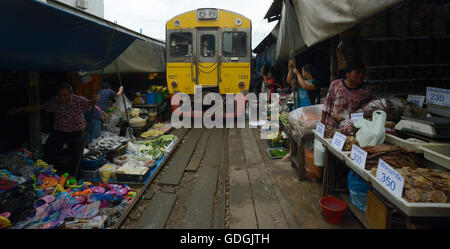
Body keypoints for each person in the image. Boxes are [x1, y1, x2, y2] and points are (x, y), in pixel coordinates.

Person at [9, 83, 94, 173]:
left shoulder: (79, 100)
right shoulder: (55, 100)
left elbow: (91, 103)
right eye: (60, 95)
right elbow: (42, 106)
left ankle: (77, 176)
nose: (62, 98)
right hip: (59, 131)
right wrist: (22, 109)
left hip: (75, 132)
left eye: (65, 95)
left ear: (71, 94)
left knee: (77, 156)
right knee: (49, 153)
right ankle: (47, 173)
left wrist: (95, 99)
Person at [321, 61, 373, 128]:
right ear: (347, 74)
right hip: (332, 126)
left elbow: (367, 113)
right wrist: (322, 124)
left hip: (352, 128)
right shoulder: (336, 85)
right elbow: (326, 106)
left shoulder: (366, 92)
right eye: (357, 73)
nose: (360, 75)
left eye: (362, 73)